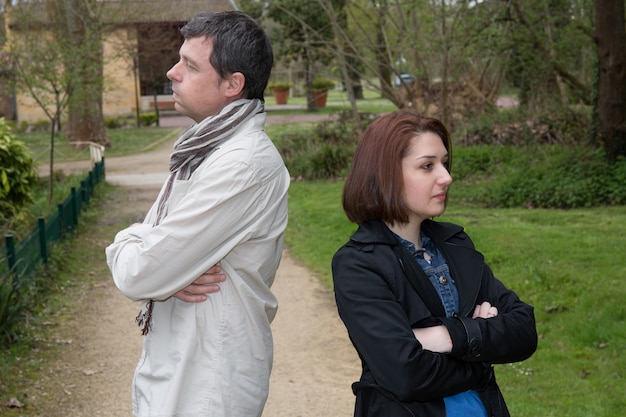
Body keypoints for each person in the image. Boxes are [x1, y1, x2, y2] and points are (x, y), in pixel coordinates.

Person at [105, 11, 289, 417]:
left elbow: (140, 272)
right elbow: (151, 260)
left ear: (232, 84)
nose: (172, 72)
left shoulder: (242, 165)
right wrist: (159, 258)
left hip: (208, 383)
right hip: (182, 367)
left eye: (189, 65)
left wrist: (151, 255)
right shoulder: (204, 152)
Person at [331, 109, 537, 417]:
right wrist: (480, 355)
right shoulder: (358, 264)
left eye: (444, 163)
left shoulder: (455, 245)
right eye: (427, 166)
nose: (446, 177)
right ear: (385, 172)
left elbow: (523, 330)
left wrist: (446, 337)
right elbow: (405, 374)